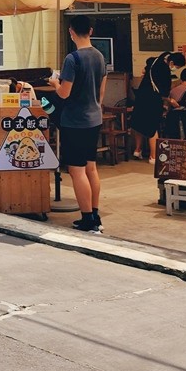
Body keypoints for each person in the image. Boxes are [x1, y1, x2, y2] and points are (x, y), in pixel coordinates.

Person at [47, 14, 107, 234]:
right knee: (91, 167)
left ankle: (88, 220)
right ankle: (95, 214)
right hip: (94, 118)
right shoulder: (100, 57)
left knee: (77, 170)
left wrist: (55, 83)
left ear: (71, 32)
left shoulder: (72, 59)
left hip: (75, 121)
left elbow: (64, 93)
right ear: (90, 31)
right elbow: (101, 92)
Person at [130, 51, 186, 161]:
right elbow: (164, 92)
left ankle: (137, 150)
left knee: (138, 124)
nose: (175, 69)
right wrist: (171, 101)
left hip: (141, 97)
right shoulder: (164, 70)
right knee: (152, 127)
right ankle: (153, 156)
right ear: (172, 62)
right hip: (153, 100)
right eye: (177, 67)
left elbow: (145, 71)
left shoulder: (154, 62)